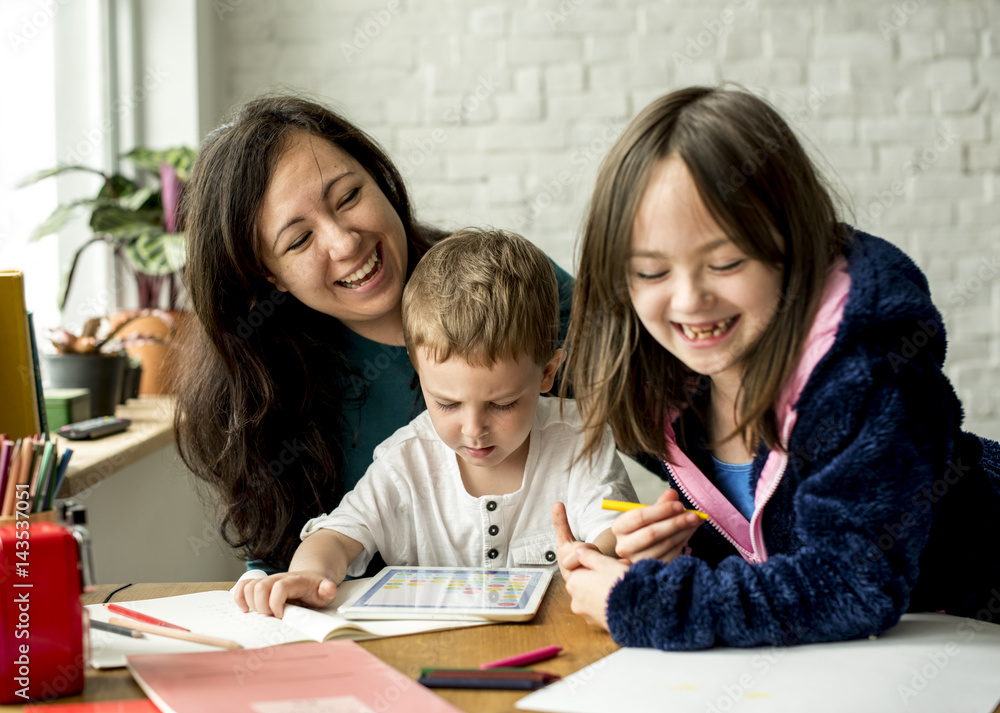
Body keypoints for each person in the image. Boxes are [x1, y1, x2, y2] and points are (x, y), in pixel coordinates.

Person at [556, 85, 1000, 650]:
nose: (690, 301)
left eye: (725, 263)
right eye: (650, 272)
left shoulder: (868, 369)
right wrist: (669, 552)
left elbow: (854, 584)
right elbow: (769, 547)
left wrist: (647, 601)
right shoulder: (663, 381)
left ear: (790, 242)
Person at [173, 96, 573, 573]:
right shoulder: (264, 391)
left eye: (348, 198)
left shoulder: (516, 293)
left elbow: (665, 439)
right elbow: (282, 566)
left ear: (379, 180)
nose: (344, 243)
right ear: (267, 275)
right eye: (299, 240)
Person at [233, 228, 636, 616]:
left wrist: (594, 557)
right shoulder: (405, 462)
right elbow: (337, 536)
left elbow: (618, 527)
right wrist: (309, 575)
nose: (473, 428)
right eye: (447, 403)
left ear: (547, 373)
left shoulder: (580, 438)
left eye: (502, 404)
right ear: (419, 371)